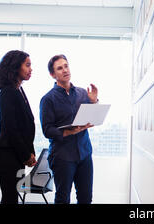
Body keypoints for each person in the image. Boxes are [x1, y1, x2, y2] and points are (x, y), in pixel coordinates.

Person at [39, 54, 98, 204]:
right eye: (60, 68)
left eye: (66, 66)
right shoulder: (48, 99)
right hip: (62, 157)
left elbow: (92, 117)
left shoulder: (82, 93)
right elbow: (47, 130)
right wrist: (67, 131)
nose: (65, 70)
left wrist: (94, 102)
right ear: (53, 75)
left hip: (84, 154)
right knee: (63, 199)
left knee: (86, 198)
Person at [0, 50, 36, 204]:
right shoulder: (7, 93)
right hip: (6, 154)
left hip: (16, 154)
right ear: (16, 66)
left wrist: (30, 152)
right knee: (10, 198)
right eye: (27, 65)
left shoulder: (18, 90)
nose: (31, 69)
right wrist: (26, 155)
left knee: (13, 197)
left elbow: (26, 126)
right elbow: (12, 130)